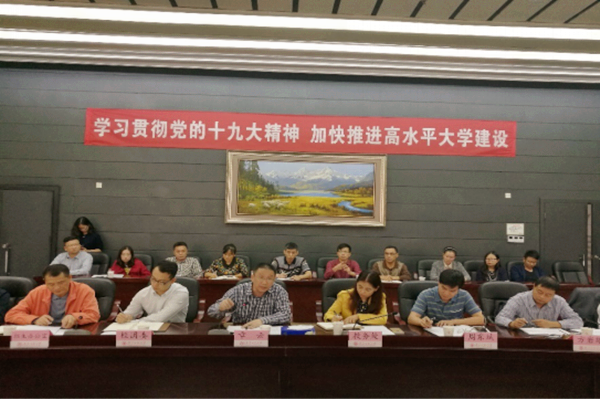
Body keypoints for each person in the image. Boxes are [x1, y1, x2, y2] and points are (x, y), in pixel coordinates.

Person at [5, 264, 100, 327]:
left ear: (70, 278)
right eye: (51, 284)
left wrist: (74, 317)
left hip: (71, 332)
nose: (57, 288)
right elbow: (11, 315)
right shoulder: (38, 292)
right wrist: (34, 319)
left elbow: (93, 315)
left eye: (61, 283)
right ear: (44, 281)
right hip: (43, 334)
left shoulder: (84, 290)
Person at [207, 263, 291, 329]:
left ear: (274, 279)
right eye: (261, 277)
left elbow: (286, 314)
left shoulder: (279, 291)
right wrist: (220, 308)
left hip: (268, 333)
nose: (264, 282)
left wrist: (261, 321)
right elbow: (211, 311)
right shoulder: (238, 291)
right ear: (252, 277)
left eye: (269, 278)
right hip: (242, 332)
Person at [496, 277, 582, 330]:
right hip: (521, 338)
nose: (542, 297)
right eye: (539, 292)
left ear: (554, 294)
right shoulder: (519, 299)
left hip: (549, 339)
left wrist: (553, 324)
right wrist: (512, 324)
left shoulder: (559, 301)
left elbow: (577, 321)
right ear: (534, 286)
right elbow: (500, 318)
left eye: (548, 295)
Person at [116, 261, 190, 324]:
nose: (155, 284)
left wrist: (135, 322)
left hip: (175, 330)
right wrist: (126, 317)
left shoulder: (181, 293)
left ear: (172, 281)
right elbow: (130, 312)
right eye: (153, 279)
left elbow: (161, 317)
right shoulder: (143, 293)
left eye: (161, 282)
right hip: (150, 329)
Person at [408, 269, 484, 328]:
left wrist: (453, 322)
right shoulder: (426, 294)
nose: (446, 293)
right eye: (443, 288)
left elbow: (480, 319)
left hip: (455, 333)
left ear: (458, 289)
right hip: (431, 332)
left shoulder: (464, 295)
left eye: (452, 291)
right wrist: (421, 322)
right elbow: (411, 318)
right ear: (438, 283)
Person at [324, 271, 388, 325]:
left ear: (376, 288)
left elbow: (383, 319)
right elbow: (329, 314)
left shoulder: (380, 297)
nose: (362, 292)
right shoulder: (345, 295)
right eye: (360, 287)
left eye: (368, 289)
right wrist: (333, 318)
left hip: (370, 333)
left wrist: (358, 317)